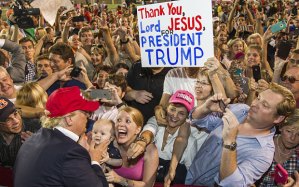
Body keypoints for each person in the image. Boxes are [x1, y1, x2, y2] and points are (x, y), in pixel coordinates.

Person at [186, 83, 296, 186]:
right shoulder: (240, 109)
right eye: (258, 98)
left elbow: (231, 184)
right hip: (188, 173)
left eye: (265, 105)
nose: (254, 104)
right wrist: (205, 108)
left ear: (278, 118)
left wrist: (230, 141)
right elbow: (198, 120)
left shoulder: (263, 153)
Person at [14, 86, 109, 187]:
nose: (88, 116)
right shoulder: (71, 152)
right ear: (69, 119)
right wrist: (95, 160)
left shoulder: (34, 138)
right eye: (85, 112)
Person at [104, 107, 159, 187]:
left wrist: (120, 180)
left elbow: (148, 185)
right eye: (118, 120)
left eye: (128, 121)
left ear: (138, 129)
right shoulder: (107, 144)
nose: (121, 124)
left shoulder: (150, 150)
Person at [258, 109, 299, 186]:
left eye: (298, 134)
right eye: (289, 131)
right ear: (281, 128)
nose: (293, 138)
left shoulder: (297, 154)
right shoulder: (263, 145)